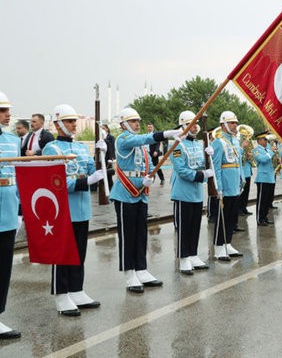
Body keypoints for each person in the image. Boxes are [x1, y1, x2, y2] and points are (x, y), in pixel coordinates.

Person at [42, 104, 104, 316]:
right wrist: (86, 180)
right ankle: (61, 295)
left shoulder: (79, 148)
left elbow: (89, 169)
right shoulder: (51, 149)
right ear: (58, 124)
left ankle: (77, 290)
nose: (73, 125)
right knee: (63, 254)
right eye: (69, 121)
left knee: (79, 252)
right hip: (63, 209)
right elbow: (57, 182)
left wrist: (101, 158)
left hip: (82, 207)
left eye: (74, 121)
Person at [111, 107, 181, 292]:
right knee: (128, 234)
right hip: (125, 192)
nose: (137, 124)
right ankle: (129, 273)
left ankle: (141, 269)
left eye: (138, 121)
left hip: (140, 191)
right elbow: (142, 139)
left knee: (141, 233)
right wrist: (165, 134)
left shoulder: (140, 144)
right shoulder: (124, 139)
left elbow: (148, 161)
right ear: (124, 124)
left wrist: (149, 177)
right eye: (133, 121)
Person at [169, 111, 211, 275]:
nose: (195, 127)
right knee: (184, 227)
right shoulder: (177, 145)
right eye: (191, 124)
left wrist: (209, 159)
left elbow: (201, 164)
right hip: (183, 191)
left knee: (195, 226)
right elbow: (181, 169)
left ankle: (193, 254)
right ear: (184, 125)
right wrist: (201, 175)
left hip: (196, 192)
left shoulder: (197, 144)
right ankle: (183, 258)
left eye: (196, 124)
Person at [0, 92, 21, 339]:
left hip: (6, 213)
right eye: (3, 110)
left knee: (3, 267)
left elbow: (18, 177)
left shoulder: (13, 140)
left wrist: (20, 211)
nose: (8, 114)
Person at [210, 111, 244, 261]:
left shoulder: (235, 141)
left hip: (235, 184)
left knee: (232, 216)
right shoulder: (218, 142)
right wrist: (218, 187)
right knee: (222, 217)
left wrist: (242, 179)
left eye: (236, 123)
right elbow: (216, 166)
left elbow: (239, 163)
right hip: (224, 184)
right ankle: (218, 246)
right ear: (223, 125)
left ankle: (227, 243)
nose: (235, 125)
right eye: (232, 123)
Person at [252, 131, 276, 226]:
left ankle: (265, 217)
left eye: (266, 139)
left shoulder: (267, 149)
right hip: (262, 178)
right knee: (262, 200)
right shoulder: (257, 150)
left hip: (270, 177)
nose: (266, 141)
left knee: (267, 200)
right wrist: (271, 151)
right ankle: (259, 219)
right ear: (259, 141)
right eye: (264, 139)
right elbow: (263, 159)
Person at [101, 124, 116, 189]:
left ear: (107, 129)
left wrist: (111, 158)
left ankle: (110, 186)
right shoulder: (100, 137)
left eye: (104, 128)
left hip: (108, 157)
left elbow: (112, 148)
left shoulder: (111, 137)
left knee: (108, 172)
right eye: (101, 128)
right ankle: (104, 186)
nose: (103, 130)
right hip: (102, 157)